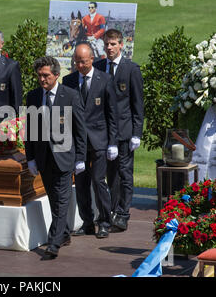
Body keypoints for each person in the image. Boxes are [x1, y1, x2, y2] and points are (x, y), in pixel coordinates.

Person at [25, 56, 87, 258]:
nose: (42, 79)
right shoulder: (33, 97)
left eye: (46, 75)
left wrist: (80, 158)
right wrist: (31, 158)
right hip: (44, 159)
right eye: (39, 76)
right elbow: (31, 130)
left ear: (56, 75)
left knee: (61, 200)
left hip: (65, 158)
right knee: (54, 199)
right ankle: (65, 233)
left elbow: (80, 130)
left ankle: (54, 243)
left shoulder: (70, 95)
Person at [63, 43, 118, 239]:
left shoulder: (104, 79)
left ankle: (104, 221)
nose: (80, 65)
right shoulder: (68, 81)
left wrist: (113, 142)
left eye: (83, 61)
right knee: (81, 182)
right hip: (78, 142)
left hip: (100, 140)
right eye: (77, 61)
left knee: (98, 180)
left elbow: (112, 113)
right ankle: (87, 222)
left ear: (92, 59)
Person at [93, 29, 144, 232]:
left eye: (113, 44)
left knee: (124, 174)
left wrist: (136, 133)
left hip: (124, 131)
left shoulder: (131, 69)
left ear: (121, 45)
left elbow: (137, 103)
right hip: (104, 132)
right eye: (107, 44)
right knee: (110, 175)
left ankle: (123, 213)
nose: (110, 48)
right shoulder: (98, 67)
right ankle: (111, 210)